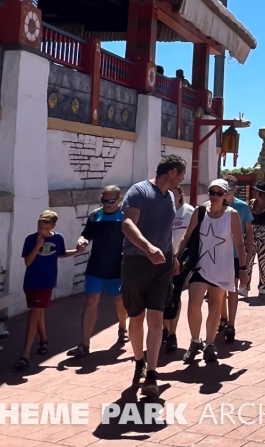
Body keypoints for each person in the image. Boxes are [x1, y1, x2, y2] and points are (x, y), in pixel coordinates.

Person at [121, 155, 184, 396]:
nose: (183, 179)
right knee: (136, 318)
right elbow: (127, 224)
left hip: (163, 265)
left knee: (156, 319)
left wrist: (172, 256)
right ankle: (139, 361)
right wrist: (148, 248)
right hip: (137, 262)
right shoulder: (139, 191)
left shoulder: (169, 197)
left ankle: (152, 374)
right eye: (182, 174)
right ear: (173, 172)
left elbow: (165, 230)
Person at [177, 180, 246, 364]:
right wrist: (175, 257)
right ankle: (195, 341)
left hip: (222, 267)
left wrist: (243, 268)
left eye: (218, 193)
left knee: (215, 305)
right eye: (211, 192)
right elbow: (187, 235)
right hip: (199, 266)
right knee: (193, 305)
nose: (214, 196)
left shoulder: (232, 215)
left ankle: (209, 344)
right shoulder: (199, 212)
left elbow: (239, 243)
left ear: (226, 195)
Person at [14, 210, 86, 371]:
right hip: (31, 282)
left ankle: (25, 354)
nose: (42, 231)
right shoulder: (31, 239)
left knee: (34, 314)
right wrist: (38, 245)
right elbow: (28, 261)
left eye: (46, 228)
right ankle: (44, 340)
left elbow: (60, 254)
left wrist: (77, 251)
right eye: (40, 227)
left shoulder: (58, 238)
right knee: (38, 312)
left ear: (53, 226)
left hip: (46, 282)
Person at [68, 186, 127, 357]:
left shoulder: (125, 217)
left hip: (117, 267)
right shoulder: (95, 215)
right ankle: (84, 343)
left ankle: (123, 326)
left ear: (119, 199)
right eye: (104, 200)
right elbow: (86, 234)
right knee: (90, 301)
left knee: (119, 301)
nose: (107, 204)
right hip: (96, 265)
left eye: (111, 201)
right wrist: (82, 240)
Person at [163, 184, 196, 353]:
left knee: (175, 295)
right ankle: (163, 329)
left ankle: (172, 334)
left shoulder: (189, 212)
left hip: (180, 260)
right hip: (161, 260)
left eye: (174, 194)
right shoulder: (160, 211)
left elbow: (191, 236)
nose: (171, 197)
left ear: (180, 195)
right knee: (161, 297)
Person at [219, 178, 253, 338]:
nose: (228, 194)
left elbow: (249, 231)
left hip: (234, 254)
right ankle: (222, 317)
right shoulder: (214, 205)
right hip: (218, 254)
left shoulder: (242, 207)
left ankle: (231, 323)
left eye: (230, 190)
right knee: (219, 290)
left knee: (232, 288)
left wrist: (249, 252)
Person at [246, 182, 265, 297]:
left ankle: (263, 285)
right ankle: (245, 285)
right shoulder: (252, 203)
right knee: (248, 259)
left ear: (262, 193)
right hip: (251, 234)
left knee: (263, 261)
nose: (254, 192)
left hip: (264, 234)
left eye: (256, 190)